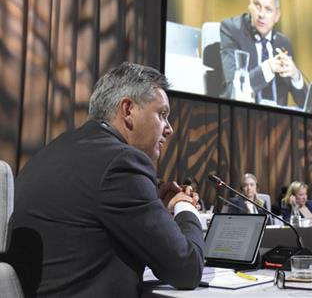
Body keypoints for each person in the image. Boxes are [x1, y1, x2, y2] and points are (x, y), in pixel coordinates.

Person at [7, 63, 205, 297]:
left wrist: (156, 209)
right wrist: (184, 206)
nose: (169, 129)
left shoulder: (57, 150)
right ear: (128, 110)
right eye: (162, 114)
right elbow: (187, 268)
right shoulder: (121, 162)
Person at [220, 0, 307, 107]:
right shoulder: (232, 30)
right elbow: (234, 90)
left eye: (268, 9)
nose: (261, 14)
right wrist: (269, 68)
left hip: (279, 124)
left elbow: (305, 105)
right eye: (257, 5)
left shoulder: (284, 43)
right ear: (249, 3)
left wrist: (296, 76)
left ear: (277, 15)